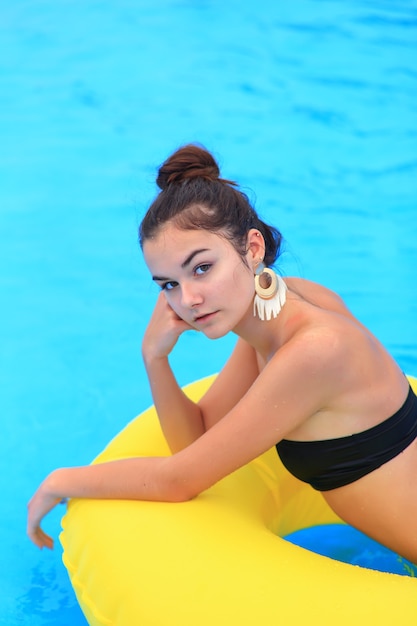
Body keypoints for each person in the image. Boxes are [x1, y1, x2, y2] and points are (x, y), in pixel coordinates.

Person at [27, 144, 417, 564]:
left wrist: (59, 481)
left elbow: (178, 481)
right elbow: (194, 441)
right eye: (168, 285)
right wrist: (155, 357)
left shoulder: (313, 351)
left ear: (252, 249)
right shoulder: (281, 314)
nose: (188, 299)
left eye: (201, 268)